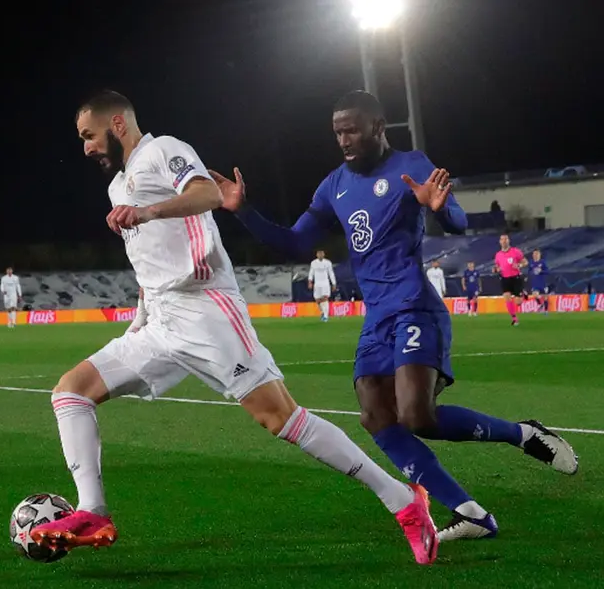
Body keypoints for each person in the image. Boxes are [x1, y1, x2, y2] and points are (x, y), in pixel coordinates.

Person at [31, 90, 439, 565]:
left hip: (206, 311)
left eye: (89, 135)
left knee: (280, 418)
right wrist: (140, 315)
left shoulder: (164, 151)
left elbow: (204, 193)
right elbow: (153, 258)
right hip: (159, 321)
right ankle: (92, 511)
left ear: (117, 124)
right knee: (70, 393)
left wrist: (147, 211)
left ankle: (403, 500)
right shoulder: (117, 187)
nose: (86, 147)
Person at [215, 90, 577, 543]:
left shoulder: (411, 164)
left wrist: (440, 208)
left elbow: (460, 222)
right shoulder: (333, 185)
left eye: (351, 130)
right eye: (337, 132)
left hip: (414, 307)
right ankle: (471, 514)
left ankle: (521, 434)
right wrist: (243, 211)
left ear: (378, 128)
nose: (343, 139)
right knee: (375, 417)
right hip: (377, 319)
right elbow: (294, 243)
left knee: (417, 416)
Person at [493, 234, 527, 326]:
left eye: (506, 239)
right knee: (507, 298)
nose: (504, 241)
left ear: (509, 241)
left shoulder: (516, 251)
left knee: (518, 302)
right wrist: (496, 269)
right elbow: (496, 266)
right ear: (500, 242)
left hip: (515, 278)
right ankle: (514, 318)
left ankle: (523, 293)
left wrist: (519, 265)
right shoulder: (498, 255)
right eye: (502, 239)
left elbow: (525, 262)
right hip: (505, 278)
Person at [308, 250, 337, 321]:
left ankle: (326, 316)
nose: (320, 255)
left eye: (321, 254)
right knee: (318, 300)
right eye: (319, 254)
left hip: (325, 283)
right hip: (317, 284)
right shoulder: (313, 263)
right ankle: (322, 312)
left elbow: (331, 273)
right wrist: (310, 282)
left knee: (325, 298)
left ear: (324, 255)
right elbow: (311, 273)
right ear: (317, 255)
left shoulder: (328, 263)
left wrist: (334, 283)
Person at [527, 249, 549, 314]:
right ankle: (540, 305)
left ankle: (546, 311)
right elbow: (529, 271)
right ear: (533, 255)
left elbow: (548, 271)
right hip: (535, 283)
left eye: (537, 254)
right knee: (535, 295)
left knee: (545, 297)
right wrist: (532, 272)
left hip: (542, 283)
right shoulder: (531, 263)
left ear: (539, 255)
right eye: (534, 254)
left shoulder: (543, 262)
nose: (535, 255)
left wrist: (541, 271)